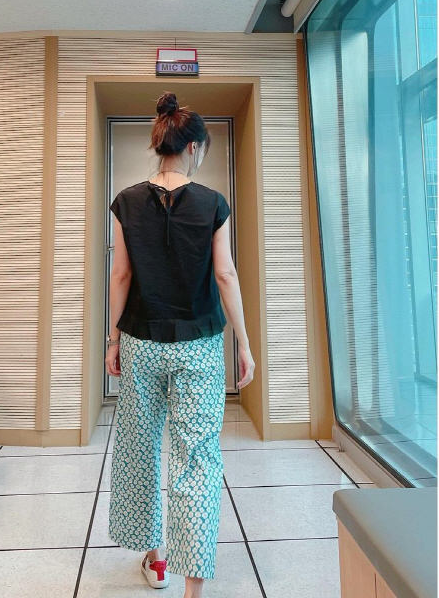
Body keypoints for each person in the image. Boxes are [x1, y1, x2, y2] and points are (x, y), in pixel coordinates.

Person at [105, 91, 255, 597]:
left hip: (142, 341)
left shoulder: (125, 201)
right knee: (197, 457)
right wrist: (244, 343)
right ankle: (193, 590)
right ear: (194, 147)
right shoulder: (213, 203)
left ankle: (156, 558)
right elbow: (226, 275)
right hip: (199, 346)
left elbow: (121, 275)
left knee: (141, 447)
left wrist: (113, 340)